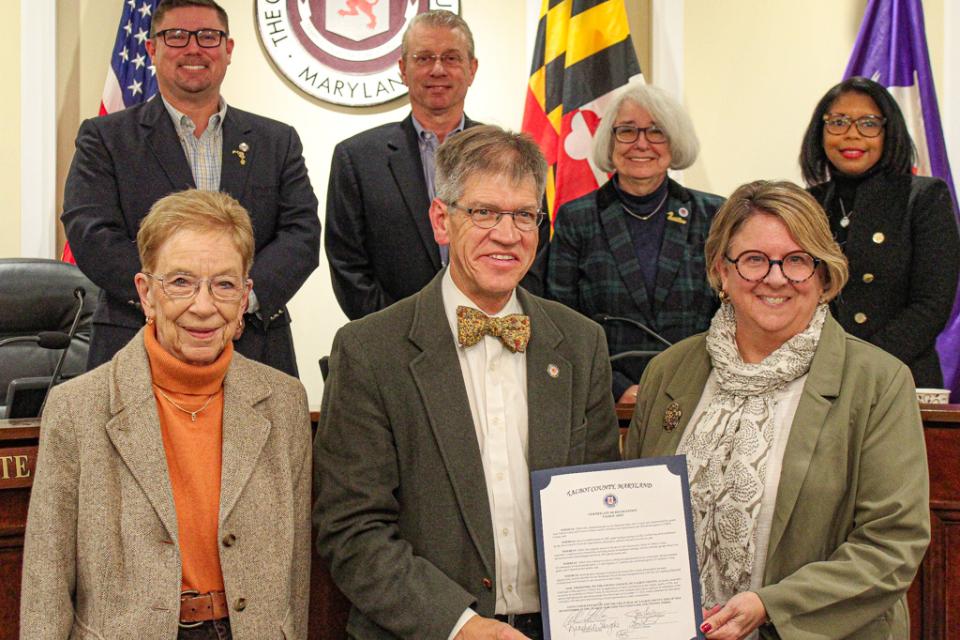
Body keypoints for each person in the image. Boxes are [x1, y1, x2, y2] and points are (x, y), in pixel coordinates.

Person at [315, 125, 620, 640]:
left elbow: (599, 506)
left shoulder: (581, 343)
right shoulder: (370, 351)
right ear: (442, 220)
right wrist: (460, 626)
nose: (507, 234)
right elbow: (352, 529)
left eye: (523, 215)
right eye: (484, 212)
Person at [624, 180, 930, 639]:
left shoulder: (877, 383)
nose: (775, 277)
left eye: (797, 260)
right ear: (721, 271)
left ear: (823, 276)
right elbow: (632, 517)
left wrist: (771, 607)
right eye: (753, 259)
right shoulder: (669, 371)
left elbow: (892, 545)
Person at [21, 190, 312, 639]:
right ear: (146, 294)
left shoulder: (285, 402)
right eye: (180, 282)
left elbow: (296, 581)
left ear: (244, 298)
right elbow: (46, 585)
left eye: (224, 284)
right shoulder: (77, 409)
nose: (203, 305)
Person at [62, 0, 320, 378]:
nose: (194, 48)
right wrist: (172, 299)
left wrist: (238, 300)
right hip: (135, 341)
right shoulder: (105, 138)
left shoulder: (276, 141)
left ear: (228, 50)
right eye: (177, 36)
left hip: (254, 342)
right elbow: (90, 232)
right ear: (152, 49)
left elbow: (302, 233)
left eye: (208, 37)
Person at [325, 10, 548, 321]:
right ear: (403, 69)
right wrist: (396, 333)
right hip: (394, 337)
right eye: (424, 58)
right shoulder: (357, 159)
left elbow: (534, 252)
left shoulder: (510, 154)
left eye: (451, 58)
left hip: (498, 330)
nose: (438, 69)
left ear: (472, 69)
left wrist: (501, 321)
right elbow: (348, 266)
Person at [546, 83, 724, 404]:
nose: (641, 143)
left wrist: (693, 384)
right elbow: (561, 321)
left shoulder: (714, 215)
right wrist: (616, 388)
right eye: (627, 131)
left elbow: (731, 314)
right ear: (610, 140)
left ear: (674, 141)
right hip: (605, 401)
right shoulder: (577, 218)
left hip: (699, 395)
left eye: (656, 131)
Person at [799, 76, 960, 387]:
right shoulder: (805, 204)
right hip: (818, 377)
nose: (852, 134)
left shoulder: (924, 197)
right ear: (820, 131)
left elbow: (932, 305)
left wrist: (859, 364)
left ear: (890, 132)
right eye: (838, 122)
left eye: (869, 124)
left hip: (899, 377)